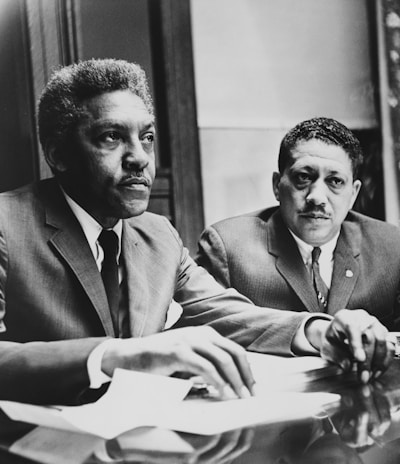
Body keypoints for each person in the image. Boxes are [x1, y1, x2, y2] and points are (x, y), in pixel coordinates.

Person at [0, 61, 392, 406]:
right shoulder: (7, 225)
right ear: (58, 154)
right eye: (111, 137)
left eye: (147, 138)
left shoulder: (157, 235)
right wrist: (116, 356)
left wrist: (322, 331)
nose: (139, 157)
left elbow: (226, 313)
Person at [196, 117, 400, 331]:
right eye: (303, 177)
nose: (317, 197)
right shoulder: (228, 248)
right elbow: (201, 332)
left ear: (353, 194)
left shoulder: (390, 247)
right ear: (277, 185)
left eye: (335, 181)